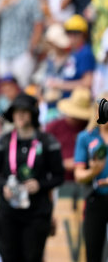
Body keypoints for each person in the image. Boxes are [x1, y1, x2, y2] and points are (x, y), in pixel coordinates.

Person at [0, 93, 64, 262]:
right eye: (16, 112)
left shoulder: (47, 141)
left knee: (32, 257)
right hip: (8, 212)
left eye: (25, 111)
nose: (20, 115)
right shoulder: (5, 141)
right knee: (9, 257)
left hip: (37, 213)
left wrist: (40, 184)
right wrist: (5, 185)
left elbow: (59, 177)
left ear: (33, 114)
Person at [74, 105, 108, 262]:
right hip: (96, 199)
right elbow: (79, 174)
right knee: (93, 252)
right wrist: (93, 172)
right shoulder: (86, 137)